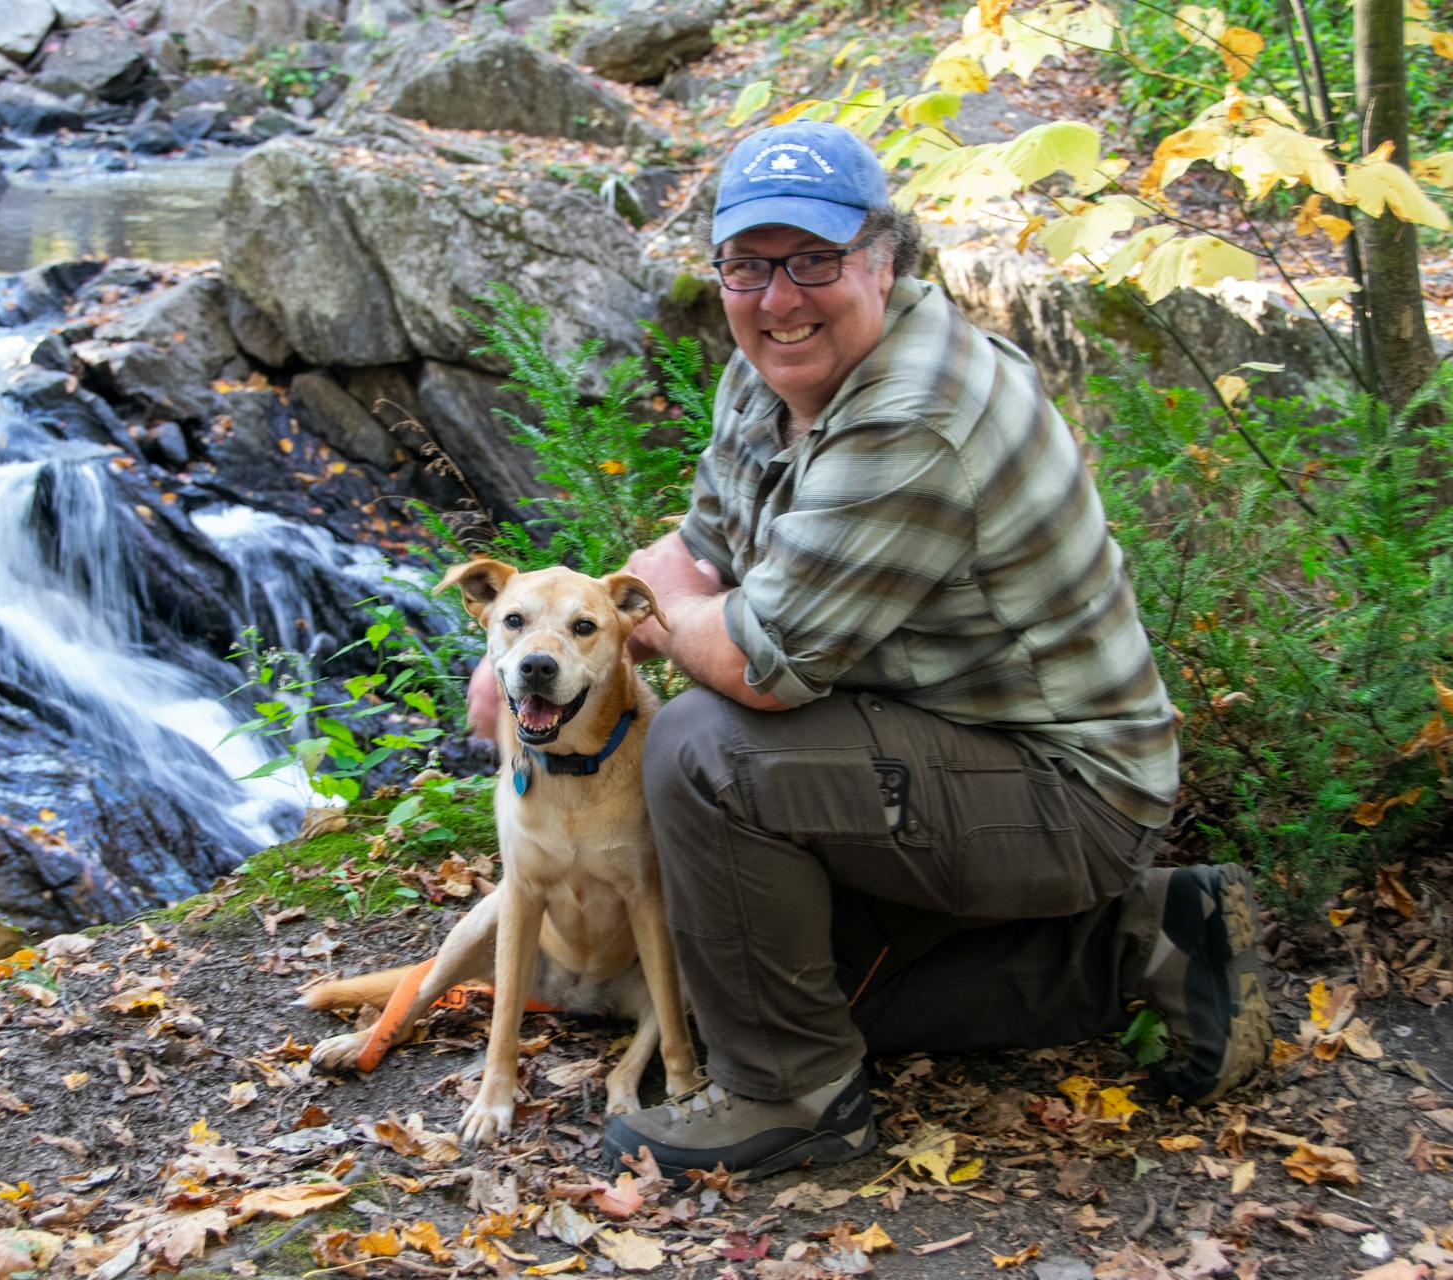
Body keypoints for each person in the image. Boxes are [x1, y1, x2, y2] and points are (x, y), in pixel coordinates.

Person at [467, 121, 1270, 1181]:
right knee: (747, 964)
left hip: (1064, 790)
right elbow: (694, 552)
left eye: (816, 260)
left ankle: (794, 1097)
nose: (781, 295)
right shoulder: (772, 373)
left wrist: (609, 634)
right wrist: (544, 632)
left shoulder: (913, 413)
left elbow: (758, 662)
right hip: (935, 749)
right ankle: (1145, 944)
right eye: (749, 265)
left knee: (706, 747)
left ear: (884, 260)